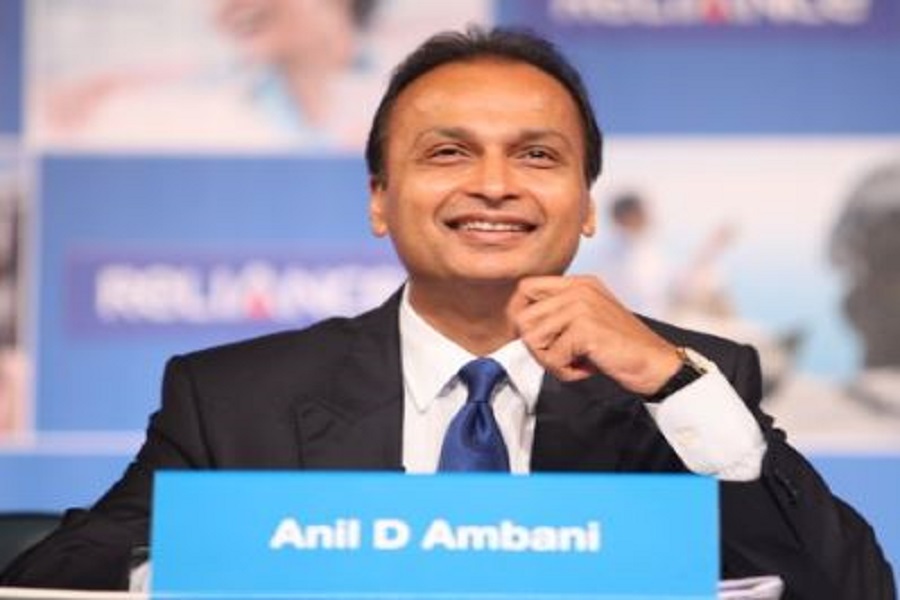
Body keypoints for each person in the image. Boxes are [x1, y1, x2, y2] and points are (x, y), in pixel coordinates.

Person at [1, 27, 894, 598]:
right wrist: (250, 562)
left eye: (537, 155)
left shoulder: (688, 381)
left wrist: (672, 383)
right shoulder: (238, 398)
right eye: (448, 153)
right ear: (379, 199)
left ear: (587, 205)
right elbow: (54, 580)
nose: (495, 185)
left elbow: (851, 587)